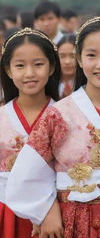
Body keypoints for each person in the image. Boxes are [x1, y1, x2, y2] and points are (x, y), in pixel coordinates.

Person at [6, 16, 100, 238]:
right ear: (79, 58)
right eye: (91, 55)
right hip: (66, 220)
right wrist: (46, 211)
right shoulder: (58, 113)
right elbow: (28, 172)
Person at [0, 27, 60, 238]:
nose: (29, 73)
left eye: (38, 64)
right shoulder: (2, 117)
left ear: (51, 66)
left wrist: (49, 209)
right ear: (8, 70)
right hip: (8, 213)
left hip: (57, 217)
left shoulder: (68, 115)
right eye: (20, 65)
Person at [57, 34, 77, 99]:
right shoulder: (48, 84)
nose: (67, 61)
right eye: (62, 56)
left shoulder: (88, 85)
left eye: (72, 56)